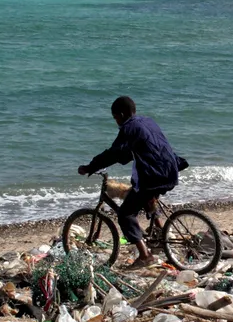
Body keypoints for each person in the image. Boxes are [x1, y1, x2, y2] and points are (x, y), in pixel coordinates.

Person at [78, 96, 186, 268]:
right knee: (145, 195)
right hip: (170, 170)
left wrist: (90, 167)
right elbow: (129, 153)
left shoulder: (129, 127)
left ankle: (145, 256)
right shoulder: (147, 121)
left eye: (115, 118)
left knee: (125, 214)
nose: (116, 122)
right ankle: (159, 230)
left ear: (121, 114)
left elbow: (115, 153)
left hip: (154, 175)